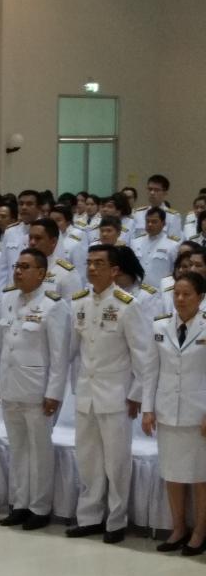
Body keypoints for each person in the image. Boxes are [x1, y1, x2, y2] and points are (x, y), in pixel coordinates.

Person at [66, 245, 152, 544]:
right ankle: (89, 517)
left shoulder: (128, 305)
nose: (91, 268)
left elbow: (142, 355)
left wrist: (137, 394)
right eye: (89, 263)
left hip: (116, 395)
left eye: (99, 264)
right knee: (88, 459)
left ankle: (116, 521)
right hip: (86, 393)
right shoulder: (79, 302)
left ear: (114, 270)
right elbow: (73, 350)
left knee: (116, 462)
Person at [0, 248, 70, 530]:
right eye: (17, 266)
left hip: (37, 390)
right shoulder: (8, 299)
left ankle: (40, 507)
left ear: (41, 273)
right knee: (18, 449)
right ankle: (20, 503)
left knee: (40, 451)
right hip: (10, 385)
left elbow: (59, 355)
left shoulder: (54, 305)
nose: (18, 271)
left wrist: (54, 393)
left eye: (25, 267)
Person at [142, 272, 206, 555]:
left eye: (187, 294)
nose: (180, 299)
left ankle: (200, 531)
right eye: (176, 294)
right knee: (172, 473)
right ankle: (178, 527)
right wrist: (147, 409)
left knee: (201, 476)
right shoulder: (160, 325)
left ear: (200, 298)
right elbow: (150, 370)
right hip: (168, 411)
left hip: (198, 414)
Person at [26, 219, 82, 301]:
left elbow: (73, 306)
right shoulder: (23, 267)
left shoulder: (66, 273)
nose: (32, 242)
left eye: (38, 238)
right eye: (30, 238)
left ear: (53, 242)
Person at [132, 207, 178, 289]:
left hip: (159, 291)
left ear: (163, 223)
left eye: (154, 222)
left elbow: (175, 271)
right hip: (137, 289)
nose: (150, 224)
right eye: (147, 221)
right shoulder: (135, 242)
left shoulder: (173, 245)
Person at [133, 174, 183, 240]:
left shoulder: (172, 216)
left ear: (165, 192)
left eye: (156, 190)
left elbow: (174, 242)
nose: (152, 193)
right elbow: (132, 238)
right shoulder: (138, 213)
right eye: (150, 189)